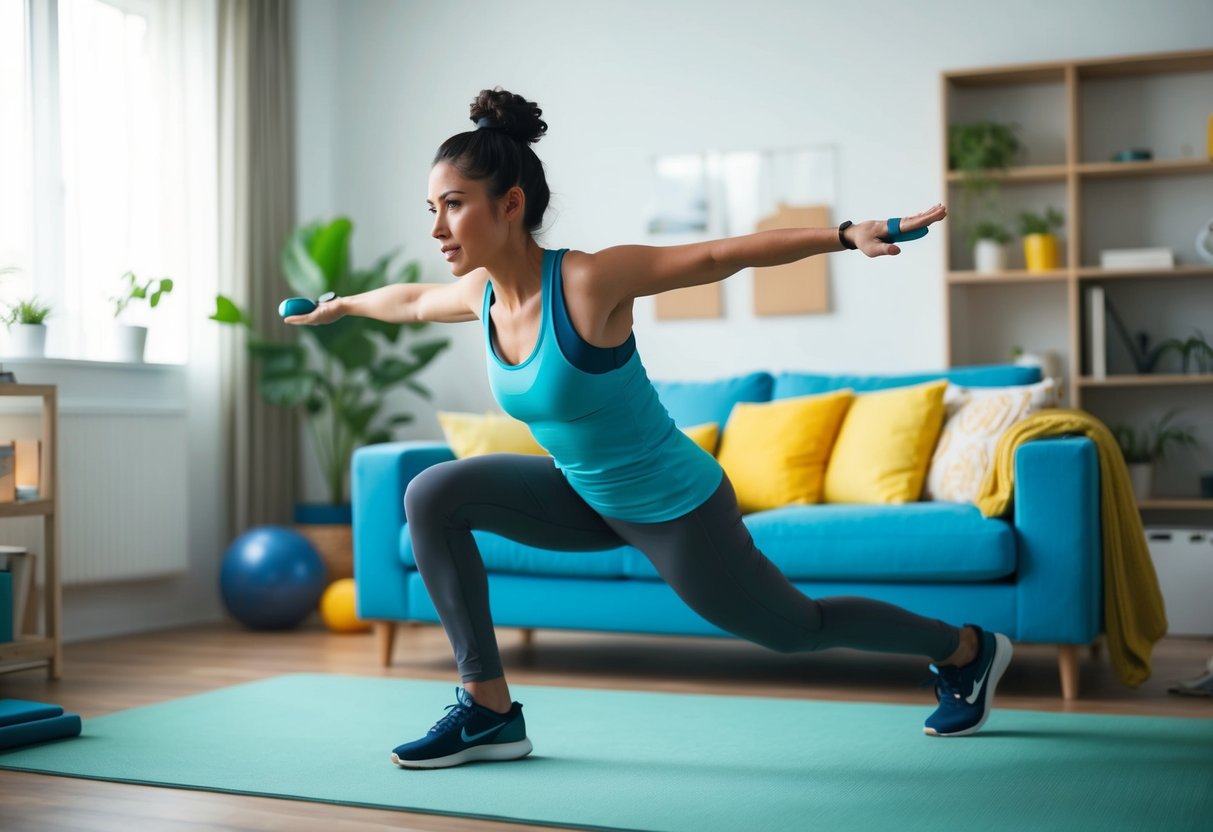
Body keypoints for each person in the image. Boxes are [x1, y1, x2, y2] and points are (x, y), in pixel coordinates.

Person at [286, 88, 1013, 769]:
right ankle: (488, 709)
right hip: (583, 497)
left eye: (452, 205)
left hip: (675, 511)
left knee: (798, 630)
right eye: (431, 207)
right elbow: (412, 301)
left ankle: (963, 651)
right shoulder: (479, 295)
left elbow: (718, 254)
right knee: (431, 494)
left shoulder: (586, 281)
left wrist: (847, 234)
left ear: (509, 204)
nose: (436, 227)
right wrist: (340, 305)